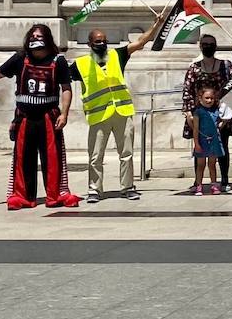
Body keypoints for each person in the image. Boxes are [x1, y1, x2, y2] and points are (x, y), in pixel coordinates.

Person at [0, 24, 80, 210]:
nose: (35, 39)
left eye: (39, 36)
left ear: (47, 39)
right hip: (24, 118)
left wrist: (64, 114)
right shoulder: (20, 58)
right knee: (23, 158)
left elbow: (66, 89)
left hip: (49, 116)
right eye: (32, 36)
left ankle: (55, 195)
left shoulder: (59, 61)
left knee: (52, 158)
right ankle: (22, 196)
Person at [69, 15, 164, 202]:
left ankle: (127, 187)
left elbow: (140, 42)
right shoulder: (80, 65)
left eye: (104, 41)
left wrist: (156, 24)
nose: (102, 44)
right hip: (99, 116)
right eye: (98, 42)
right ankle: (95, 190)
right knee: (96, 156)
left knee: (126, 153)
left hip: (122, 112)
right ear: (89, 44)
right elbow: (62, 82)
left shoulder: (116, 55)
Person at [181, 34, 232, 192]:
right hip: (200, 115)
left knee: (222, 146)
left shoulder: (226, 66)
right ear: (200, 46)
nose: (208, 46)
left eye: (211, 43)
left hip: (221, 113)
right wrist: (188, 113)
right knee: (199, 148)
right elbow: (187, 91)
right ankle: (198, 181)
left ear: (216, 46)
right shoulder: (194, 68)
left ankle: (223, 179)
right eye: (205, 44)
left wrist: (228, 115)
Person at [190, 87, 229, 196]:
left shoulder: (216, 111)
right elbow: (196, 129)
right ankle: (199, 185)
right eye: (206, 98)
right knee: (200, 165)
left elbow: (217, 127)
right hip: (202, 142)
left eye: (211, 98)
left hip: (214, 141)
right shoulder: (198, 112)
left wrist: (224, 122)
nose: (209, 100)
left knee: (212, 164)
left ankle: (213, 185)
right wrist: (196, 143)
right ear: (200, 98)